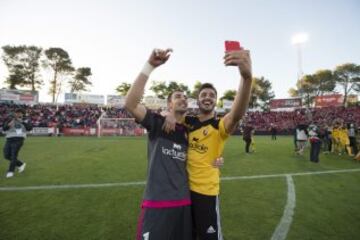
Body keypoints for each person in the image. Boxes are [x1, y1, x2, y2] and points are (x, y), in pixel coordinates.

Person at [164, 47, 252, 239]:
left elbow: (237, 113)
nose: (207, 97)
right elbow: (171, 113)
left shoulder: (220, 125)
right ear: (198, 99)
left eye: (212, 95)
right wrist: (168, 113)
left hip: (206, 192)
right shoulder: (189, 122)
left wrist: (246, 79)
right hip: (183, 190)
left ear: (216, 101)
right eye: (204, 94)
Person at [124, 48, 195, 240]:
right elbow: (130, 104)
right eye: (178, 96)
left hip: (184, 203)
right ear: (169, 104)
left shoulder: (191, 132)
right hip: (157, 203)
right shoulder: (158, 123)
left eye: (185, 97)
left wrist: (218, 160)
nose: (183, 98)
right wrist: (150, 66)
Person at [2, 108, 32, 178]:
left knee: (13, 155)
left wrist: (22, 122)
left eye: (20, 113)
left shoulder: (26, 120)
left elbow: (29, 128)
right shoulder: (10, 119)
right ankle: (20, 164)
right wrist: (9, 124)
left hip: (19, 139)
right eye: (17, 112)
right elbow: (4, 128)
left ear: (22, 114)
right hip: (9, 139)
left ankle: (10, 171)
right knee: (6, 155)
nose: (18, 114)